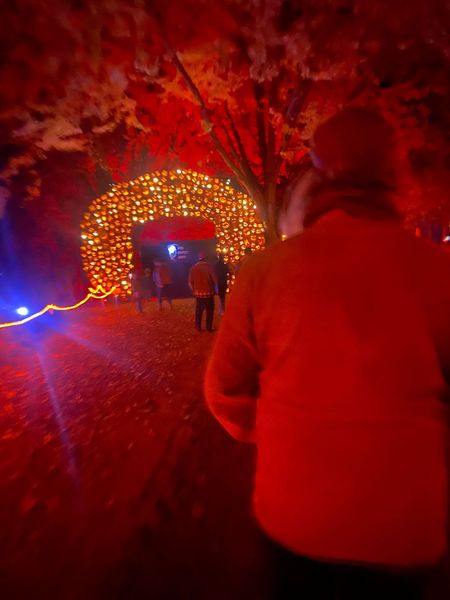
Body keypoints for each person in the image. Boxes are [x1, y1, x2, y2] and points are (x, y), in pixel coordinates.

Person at [204, 107, 450, 599]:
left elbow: (224, 390)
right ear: (393, 174)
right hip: (406, 523)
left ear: (317, 174)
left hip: (297, 516)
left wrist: (279, 430)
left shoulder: (263, 272)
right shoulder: (437, 273)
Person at [189, 252, 217, 332]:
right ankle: (209, 327)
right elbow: (215, 280)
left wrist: (194, 291)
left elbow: (190, 282)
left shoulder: (193, 268)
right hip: (209, 293)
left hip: (198, 293)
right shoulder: (209, 267)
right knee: (209, 311)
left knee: (198, 311)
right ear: (206, 258)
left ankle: (198, 327)